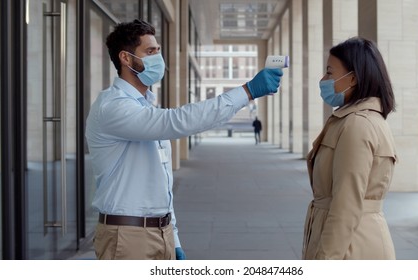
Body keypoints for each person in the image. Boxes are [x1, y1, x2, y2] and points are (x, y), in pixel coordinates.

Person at [85, 19, 282, 260]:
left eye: (158, 50)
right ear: (126, 59)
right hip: (127, 238)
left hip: (160, 232)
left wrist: (173, 236)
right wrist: (247, 92)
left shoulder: (145, 106)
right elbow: (177, 121)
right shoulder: (112, 107)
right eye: (149, 52)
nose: (158, 58)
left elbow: (161, 181)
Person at [302, 37, 397, 260]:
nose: (323, 79)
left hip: (352, 248)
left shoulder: (357, 125)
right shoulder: (354, 120)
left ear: (352, 78)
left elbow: (346, 205)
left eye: (329, 72)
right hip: (353, 241)